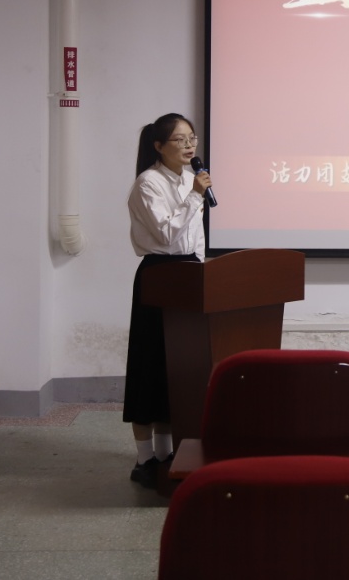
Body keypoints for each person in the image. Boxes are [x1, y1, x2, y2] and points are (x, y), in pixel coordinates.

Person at [124, 112, 212, 488]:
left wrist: (202, 272)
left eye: (192, 138)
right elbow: (167, 236)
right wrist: (195, 197)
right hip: (159, 275)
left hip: (188, 276)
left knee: (174, 368)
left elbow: (194, 240)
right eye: (180, 139)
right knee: (149, 365)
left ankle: (166, 453)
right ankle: (144, 460)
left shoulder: (190, 180)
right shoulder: (148, 184)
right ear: (159, 146)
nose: (190, 145)